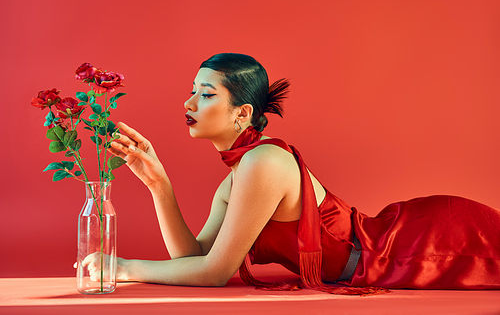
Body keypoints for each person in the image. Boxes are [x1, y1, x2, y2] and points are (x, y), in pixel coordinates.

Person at [87, 53, 500, 295]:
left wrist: (122, 267)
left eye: (207, 93)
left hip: (417, 246)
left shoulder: (263, 163)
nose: (189, 101)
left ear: (243, 113)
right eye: (194, 89)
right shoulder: (237, 176)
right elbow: (194, 262)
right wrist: (159, 183)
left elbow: (214, 273)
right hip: (398, 245)